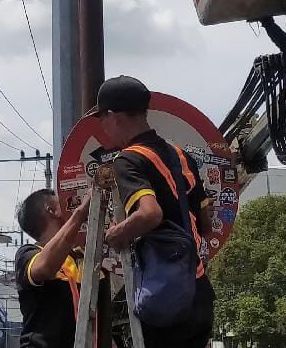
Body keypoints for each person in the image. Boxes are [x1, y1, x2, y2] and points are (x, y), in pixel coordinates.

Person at [97, 75, 214, 348]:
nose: (103, 128)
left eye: (102, 119)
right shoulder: (180, 155)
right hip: (198, 290)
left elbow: (150, 214)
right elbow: (206, 224)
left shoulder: (128, 160)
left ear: (114, 117)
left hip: (165, 294)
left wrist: (116, 234)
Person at [14, 189, 97, 348]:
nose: (72, 204)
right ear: (52, 210)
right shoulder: (27, 254)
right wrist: (81, 212)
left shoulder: (81, 257)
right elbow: (45, 268)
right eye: (63, 201)